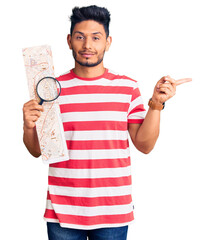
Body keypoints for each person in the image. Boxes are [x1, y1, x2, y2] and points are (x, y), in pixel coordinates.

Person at [23, 5, 191, 240]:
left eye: (96, 38)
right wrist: (28, 125)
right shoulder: (51, 89)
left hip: (113, 210)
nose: (87, 45)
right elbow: (37, 151)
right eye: (80, 37)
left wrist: (156, 104)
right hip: (63, 209)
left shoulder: (127, 88)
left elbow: (144, 145)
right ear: (69, 41)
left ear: (108, 42)